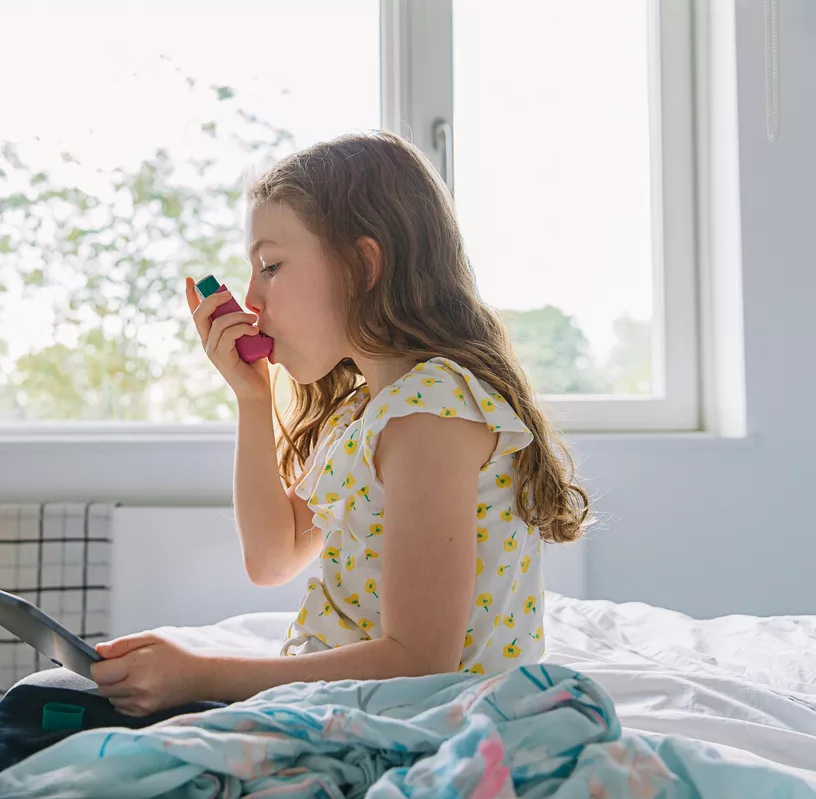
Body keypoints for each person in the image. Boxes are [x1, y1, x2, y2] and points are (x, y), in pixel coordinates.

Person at [87, 130, 591, 717]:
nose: (252, 300)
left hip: (412, 724)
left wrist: (203, 675)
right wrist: (253, 402)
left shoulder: (430, 413)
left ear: (363, 264)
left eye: (271, 266)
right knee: (50, 712)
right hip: (349, 709)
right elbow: (271, 559)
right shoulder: (365, 412)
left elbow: (419, 660)